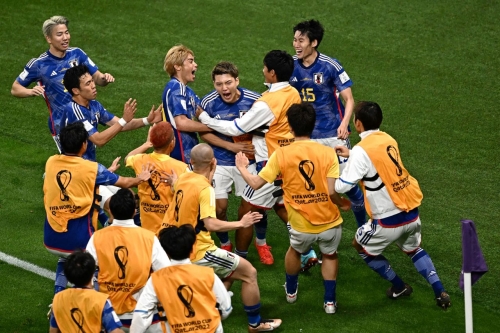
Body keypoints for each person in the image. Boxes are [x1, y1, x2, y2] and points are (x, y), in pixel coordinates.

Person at [334, 101, 451, 309]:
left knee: (359, 245)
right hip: (411, 214)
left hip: (387, 222)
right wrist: (351, 155)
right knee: (414, 249)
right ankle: (439, 290)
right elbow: (378, 162)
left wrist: (329, 177)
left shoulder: (362, 150)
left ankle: (399, 286)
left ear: (358, 123)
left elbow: (343, 186)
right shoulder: (388, 139)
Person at [235, 102, 350, 314]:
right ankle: (330, 303)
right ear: (313, 125)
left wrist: (242, 167)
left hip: (300, 223)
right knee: (330, 255)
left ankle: (291, 292)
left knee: (295, 251)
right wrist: (342, 203)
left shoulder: (281, 154)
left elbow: (255, 184)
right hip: (330, 221)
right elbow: (333, 191)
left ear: (289, 126)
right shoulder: (328, 153)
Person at [160, 144, 281, 332]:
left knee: (231, 270)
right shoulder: (205, 189)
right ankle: (255, 324)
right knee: (249, 273)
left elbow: (188, 186)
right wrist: (241, 223)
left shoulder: (183, 177)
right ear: (213, 161)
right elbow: (211, 224)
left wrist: (211, 171)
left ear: (191, 162)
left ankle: (214, 303)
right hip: (198, 249)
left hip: (171, 245)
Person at [196, 50, 302, 265]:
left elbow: (236, 128)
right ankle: (305, 247)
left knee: (248, 210)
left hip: (268, 165)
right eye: (219, 84)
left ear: (272, 73)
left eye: (264, 68)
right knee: (279, 205)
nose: (262, 71)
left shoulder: (265, 102)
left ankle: (240, 259)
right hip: (288, 160)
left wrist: (203, 117)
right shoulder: (293, 93)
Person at [43, 122, 153, 297]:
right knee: (97, 262)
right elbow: (124, 183)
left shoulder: (50, 163)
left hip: (51, 240)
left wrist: (106, 172)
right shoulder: (91, 168)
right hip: (79, 242)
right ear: (84, 145)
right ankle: (92, 299)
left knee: (65, 258)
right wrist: (141, 178)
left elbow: (75, 180)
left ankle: (58, 298)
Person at [290, 19, 367, 267]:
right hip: (305, 137)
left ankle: (363, 229)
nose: (297, 44)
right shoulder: (289, 66)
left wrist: (345, 123)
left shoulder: (330, 65)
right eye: (295, 39)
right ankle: (309, 244)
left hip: (333, 135)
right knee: (308, 186)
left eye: (301, 40)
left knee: (346, 185)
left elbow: (349, 99)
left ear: (314, 42)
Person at [199, 61, 271, 263]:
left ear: (237, 80)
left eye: (228, 82)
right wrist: (231, 147)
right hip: (219, 162)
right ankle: (224, 243)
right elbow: (203, 132)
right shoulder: (209, 103)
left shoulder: (255, 100)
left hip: (249, 162)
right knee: (219, 208)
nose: (224, 88)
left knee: (255, 206)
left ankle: (261, 242)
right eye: (219, 84)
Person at [11, 16, 114, 151]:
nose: (65, 37)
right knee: (74, 161)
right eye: (59, 34)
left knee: (87, 158)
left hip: (84, 115)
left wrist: (104, 78)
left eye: (66, 32)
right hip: (62, 123)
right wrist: (31, 91)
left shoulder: (77, 53)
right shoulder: (38, 64)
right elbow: (15, 88)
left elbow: (97, 78)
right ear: (48, 38)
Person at [86, 189, 171, 331]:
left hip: (108, 316)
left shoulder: (97, 237)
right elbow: (167, 273)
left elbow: (84, 273)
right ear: (134, 212)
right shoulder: (149, 238)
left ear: (111, 212)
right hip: (139, 315)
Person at [131, 224, 232, 333]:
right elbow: (226, 308)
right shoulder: (208, 274)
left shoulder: (156, 279)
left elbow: (141, 313)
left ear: (166, 252)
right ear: (193, 248)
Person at [62, 64, 162, 162]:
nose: (93, 86)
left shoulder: (94, 105)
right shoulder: (74, 111)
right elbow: (99, 140)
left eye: (92, 80)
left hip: (88, 163)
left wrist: (148, 120)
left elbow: (118, 124)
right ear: (75, 90)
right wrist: (123, 120)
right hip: (75, 167)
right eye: (88, 83)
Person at [125, 122, 190, 233]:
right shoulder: (182, 168)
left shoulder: (140, 160)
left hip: (147, 230)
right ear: (172, 143)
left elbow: (128, 158)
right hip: (170, 231)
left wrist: (146, 144)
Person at [49, 251, 124, 333]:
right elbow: (116, 331)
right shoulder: (101, 301)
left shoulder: (58, 299)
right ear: (92, 274)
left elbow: (53, 331)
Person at [161, 45, 212, 164]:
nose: (195, 64)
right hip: (180, 153)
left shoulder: (187, 91)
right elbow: (181, 123)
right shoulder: (176, 87)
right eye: (190, 61)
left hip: (187, 151)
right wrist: (213, 126)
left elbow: (203, 110)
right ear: (177, 66)